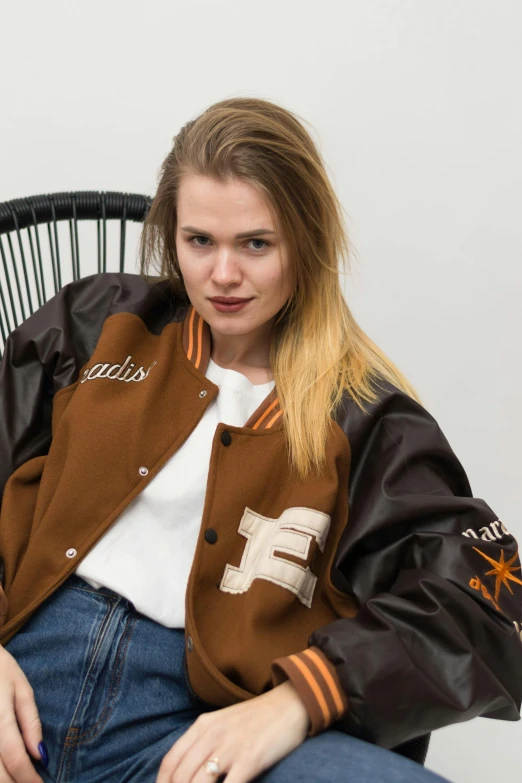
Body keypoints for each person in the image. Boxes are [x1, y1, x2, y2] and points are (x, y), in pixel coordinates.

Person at [0, 97, 520, 783]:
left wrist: (299, 700)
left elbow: (490, 605)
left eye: (255, 243)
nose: (222, 275)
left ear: (304, 241)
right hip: (24, 673)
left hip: (195, 733)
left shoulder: (366, 419)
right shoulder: (94, 325)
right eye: (199, 241)